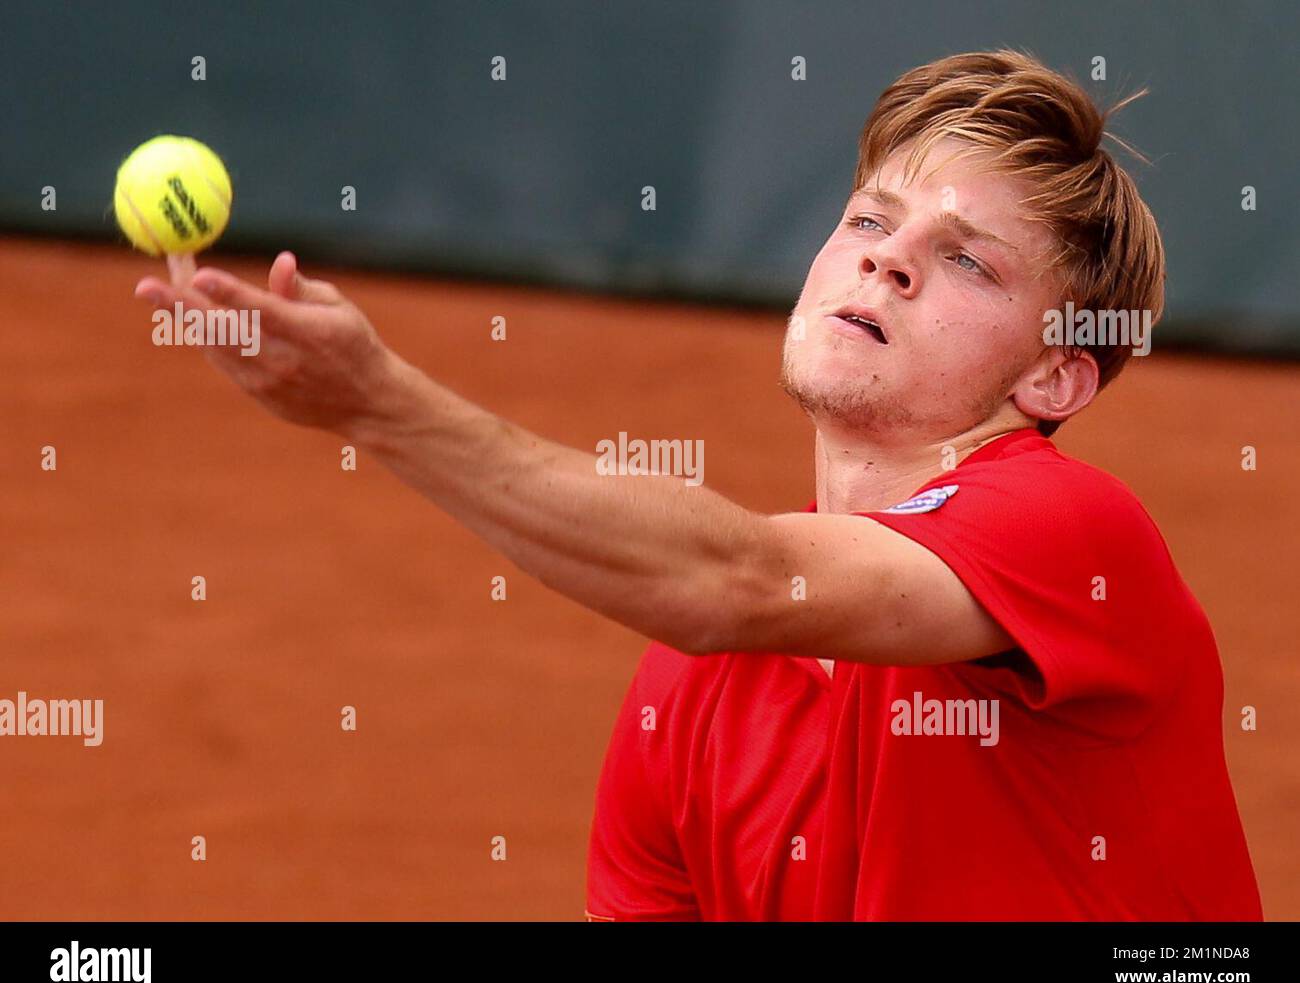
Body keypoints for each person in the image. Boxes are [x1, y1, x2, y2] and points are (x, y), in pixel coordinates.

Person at [134, 49, 1262, 922]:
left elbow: (744, 579)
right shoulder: (686, 696)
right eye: (869, 218)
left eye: (966, 258)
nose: (887, 256)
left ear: (1055, 375)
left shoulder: (1072, 532)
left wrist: (374, 401)